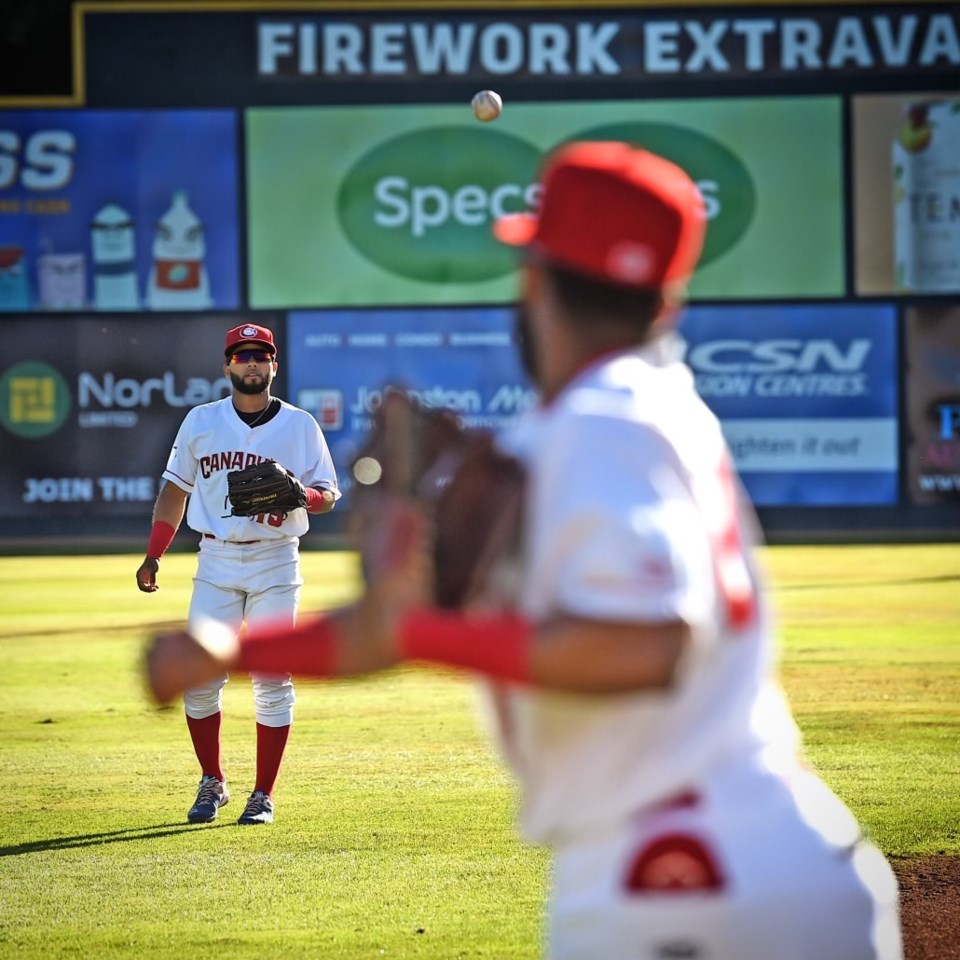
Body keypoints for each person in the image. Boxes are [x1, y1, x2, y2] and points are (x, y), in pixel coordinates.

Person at [144, 144, 902, 957]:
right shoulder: (633, 409)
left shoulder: (604, 423)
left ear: (536, 280)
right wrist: (231, 648)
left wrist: (417, 633)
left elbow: (648, 644)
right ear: (668, 301)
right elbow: (391, 626)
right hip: (731, 847)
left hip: (679, 873)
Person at [136, 322, 340, 826]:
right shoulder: (201, 421)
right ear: (227, 365)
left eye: (260, 355)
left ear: (274, 365)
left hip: (276, 560)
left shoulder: (300, 425)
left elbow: (330, 494)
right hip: (216, 560)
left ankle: (263, 793)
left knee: (274, 676)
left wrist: (305, 496)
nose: (251, 363)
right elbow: (175, 490)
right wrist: (154, 553)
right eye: (242, 355)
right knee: (199, 678)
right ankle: (213, 780)